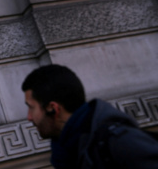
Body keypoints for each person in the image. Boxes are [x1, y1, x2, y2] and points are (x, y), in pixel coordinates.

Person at [21, 64, 158, 169]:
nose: (29, 117)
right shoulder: (67, 151)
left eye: (31, 107)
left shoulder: (122, 143)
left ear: (53, 108)